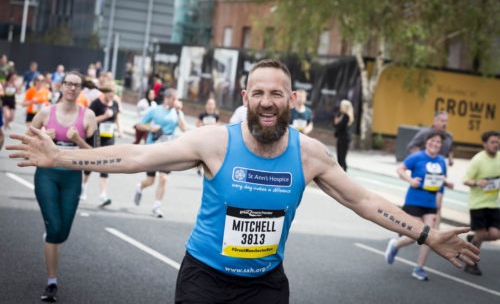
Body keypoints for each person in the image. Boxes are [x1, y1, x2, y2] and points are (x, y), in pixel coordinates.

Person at [8, 59, 479, 303]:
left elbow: (363, 199)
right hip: (204, 282)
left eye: (278, 93)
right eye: (259, 93)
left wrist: (427, 234)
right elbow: (138, 155)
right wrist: (60, 157)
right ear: (246, 97)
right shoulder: (215, 142)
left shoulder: (309, 154)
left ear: (291, 99)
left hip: (265, 286)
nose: (268, 101)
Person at [28, 71, 97, 302]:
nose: (72, 88)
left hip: (72, 178)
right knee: (54, 228)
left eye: (77, 85)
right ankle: (52, 282)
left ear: (81, 90)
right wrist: (41, 139)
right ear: (62, 86)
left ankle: (52, 235)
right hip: (47, 176)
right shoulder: (46, 112)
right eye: (68, 83)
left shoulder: (88, 116)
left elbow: (96, 154)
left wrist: (77, 140)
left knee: (62, 232)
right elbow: (28, 140)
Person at [385, 131, 454, 281]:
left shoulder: (441, 161)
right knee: (414, 235)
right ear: (426, 142)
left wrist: (444, 188)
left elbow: (439, 181)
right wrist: (410, 180)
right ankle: (396, 245)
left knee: (429, 237)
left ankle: (419, 268)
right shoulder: (417, 156)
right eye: (432, 141)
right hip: (415, 200)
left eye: (438, 142)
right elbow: (400, 169)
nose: (435, 144)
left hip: (431, 203)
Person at [133, 88, 187, 217]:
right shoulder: (155, 110)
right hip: (153, 148)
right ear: (166, 98)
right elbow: (139, 125)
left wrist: (179, 111)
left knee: (163, 178)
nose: (176, 102)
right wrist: (151, 128)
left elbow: (184, 128)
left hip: (168, 150)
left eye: (177, 99)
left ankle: (156, 206)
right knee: (150, 180)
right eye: (174, 99)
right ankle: (140, 186)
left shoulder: (177, 112)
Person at [462, 130, 500, 276]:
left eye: (498, 142)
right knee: (481, 233)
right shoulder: (478, 160)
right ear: (484, 144)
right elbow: (466, 179)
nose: (496, 145)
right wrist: (478, 182)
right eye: (493, 142)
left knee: (496, 234)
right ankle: (470, 263)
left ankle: (474, 239)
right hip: (478, 204)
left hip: (494, 204)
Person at [81, 79, 122, 205]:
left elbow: (116, 117)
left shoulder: (114, 103)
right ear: (105, 92)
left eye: (114, 93)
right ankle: (83, 188)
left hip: (109, 137)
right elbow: (88, 120)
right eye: (110, 93)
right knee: (90, 165)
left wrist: (120, 130)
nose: (112, 95)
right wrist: (103, 117)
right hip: (95, 135)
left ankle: (103, 195)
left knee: (106, 165)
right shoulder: (96, 104)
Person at [333, 99, 354, 171]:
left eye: (342, 106)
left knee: (342, 156)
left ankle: (343, 170)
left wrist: (337, 122)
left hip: (344, 138)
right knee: (340, 155)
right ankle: (342, 170)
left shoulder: (347, 116)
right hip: (341, 137)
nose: (340, 107)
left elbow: (340, 126)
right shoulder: (341, 114)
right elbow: (335, 124)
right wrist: (336, 122)